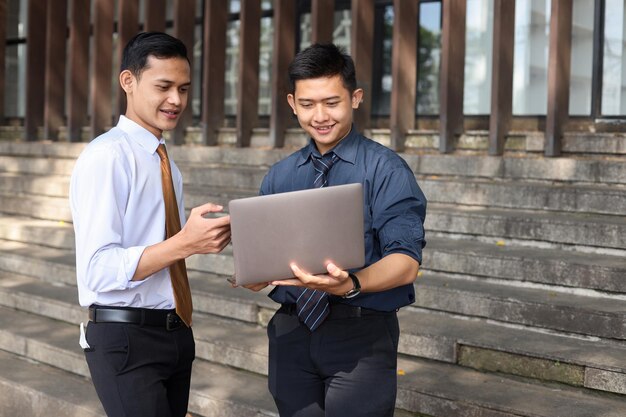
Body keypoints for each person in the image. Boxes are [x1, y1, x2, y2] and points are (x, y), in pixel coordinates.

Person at [240, 43, 427, 416]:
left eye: (332, 102)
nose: (320, 116)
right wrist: (253, 274)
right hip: (291, 333)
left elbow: (406, 261)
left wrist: (351, 284)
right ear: (292, 103)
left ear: (355, 98)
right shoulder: (280, 176)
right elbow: (263, 264)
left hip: (360, 334)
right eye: (307, 105)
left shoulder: (386, 170)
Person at [69, 32, 231, 417]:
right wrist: (186, 243)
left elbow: (163, 253)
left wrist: (207, 240)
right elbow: (98, 270)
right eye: (164, 86)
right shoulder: (107, 157)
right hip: (126, 340)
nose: (176, 100)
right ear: (128, 81)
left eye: (183, 88)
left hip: (174, 333)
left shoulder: (165, 163)